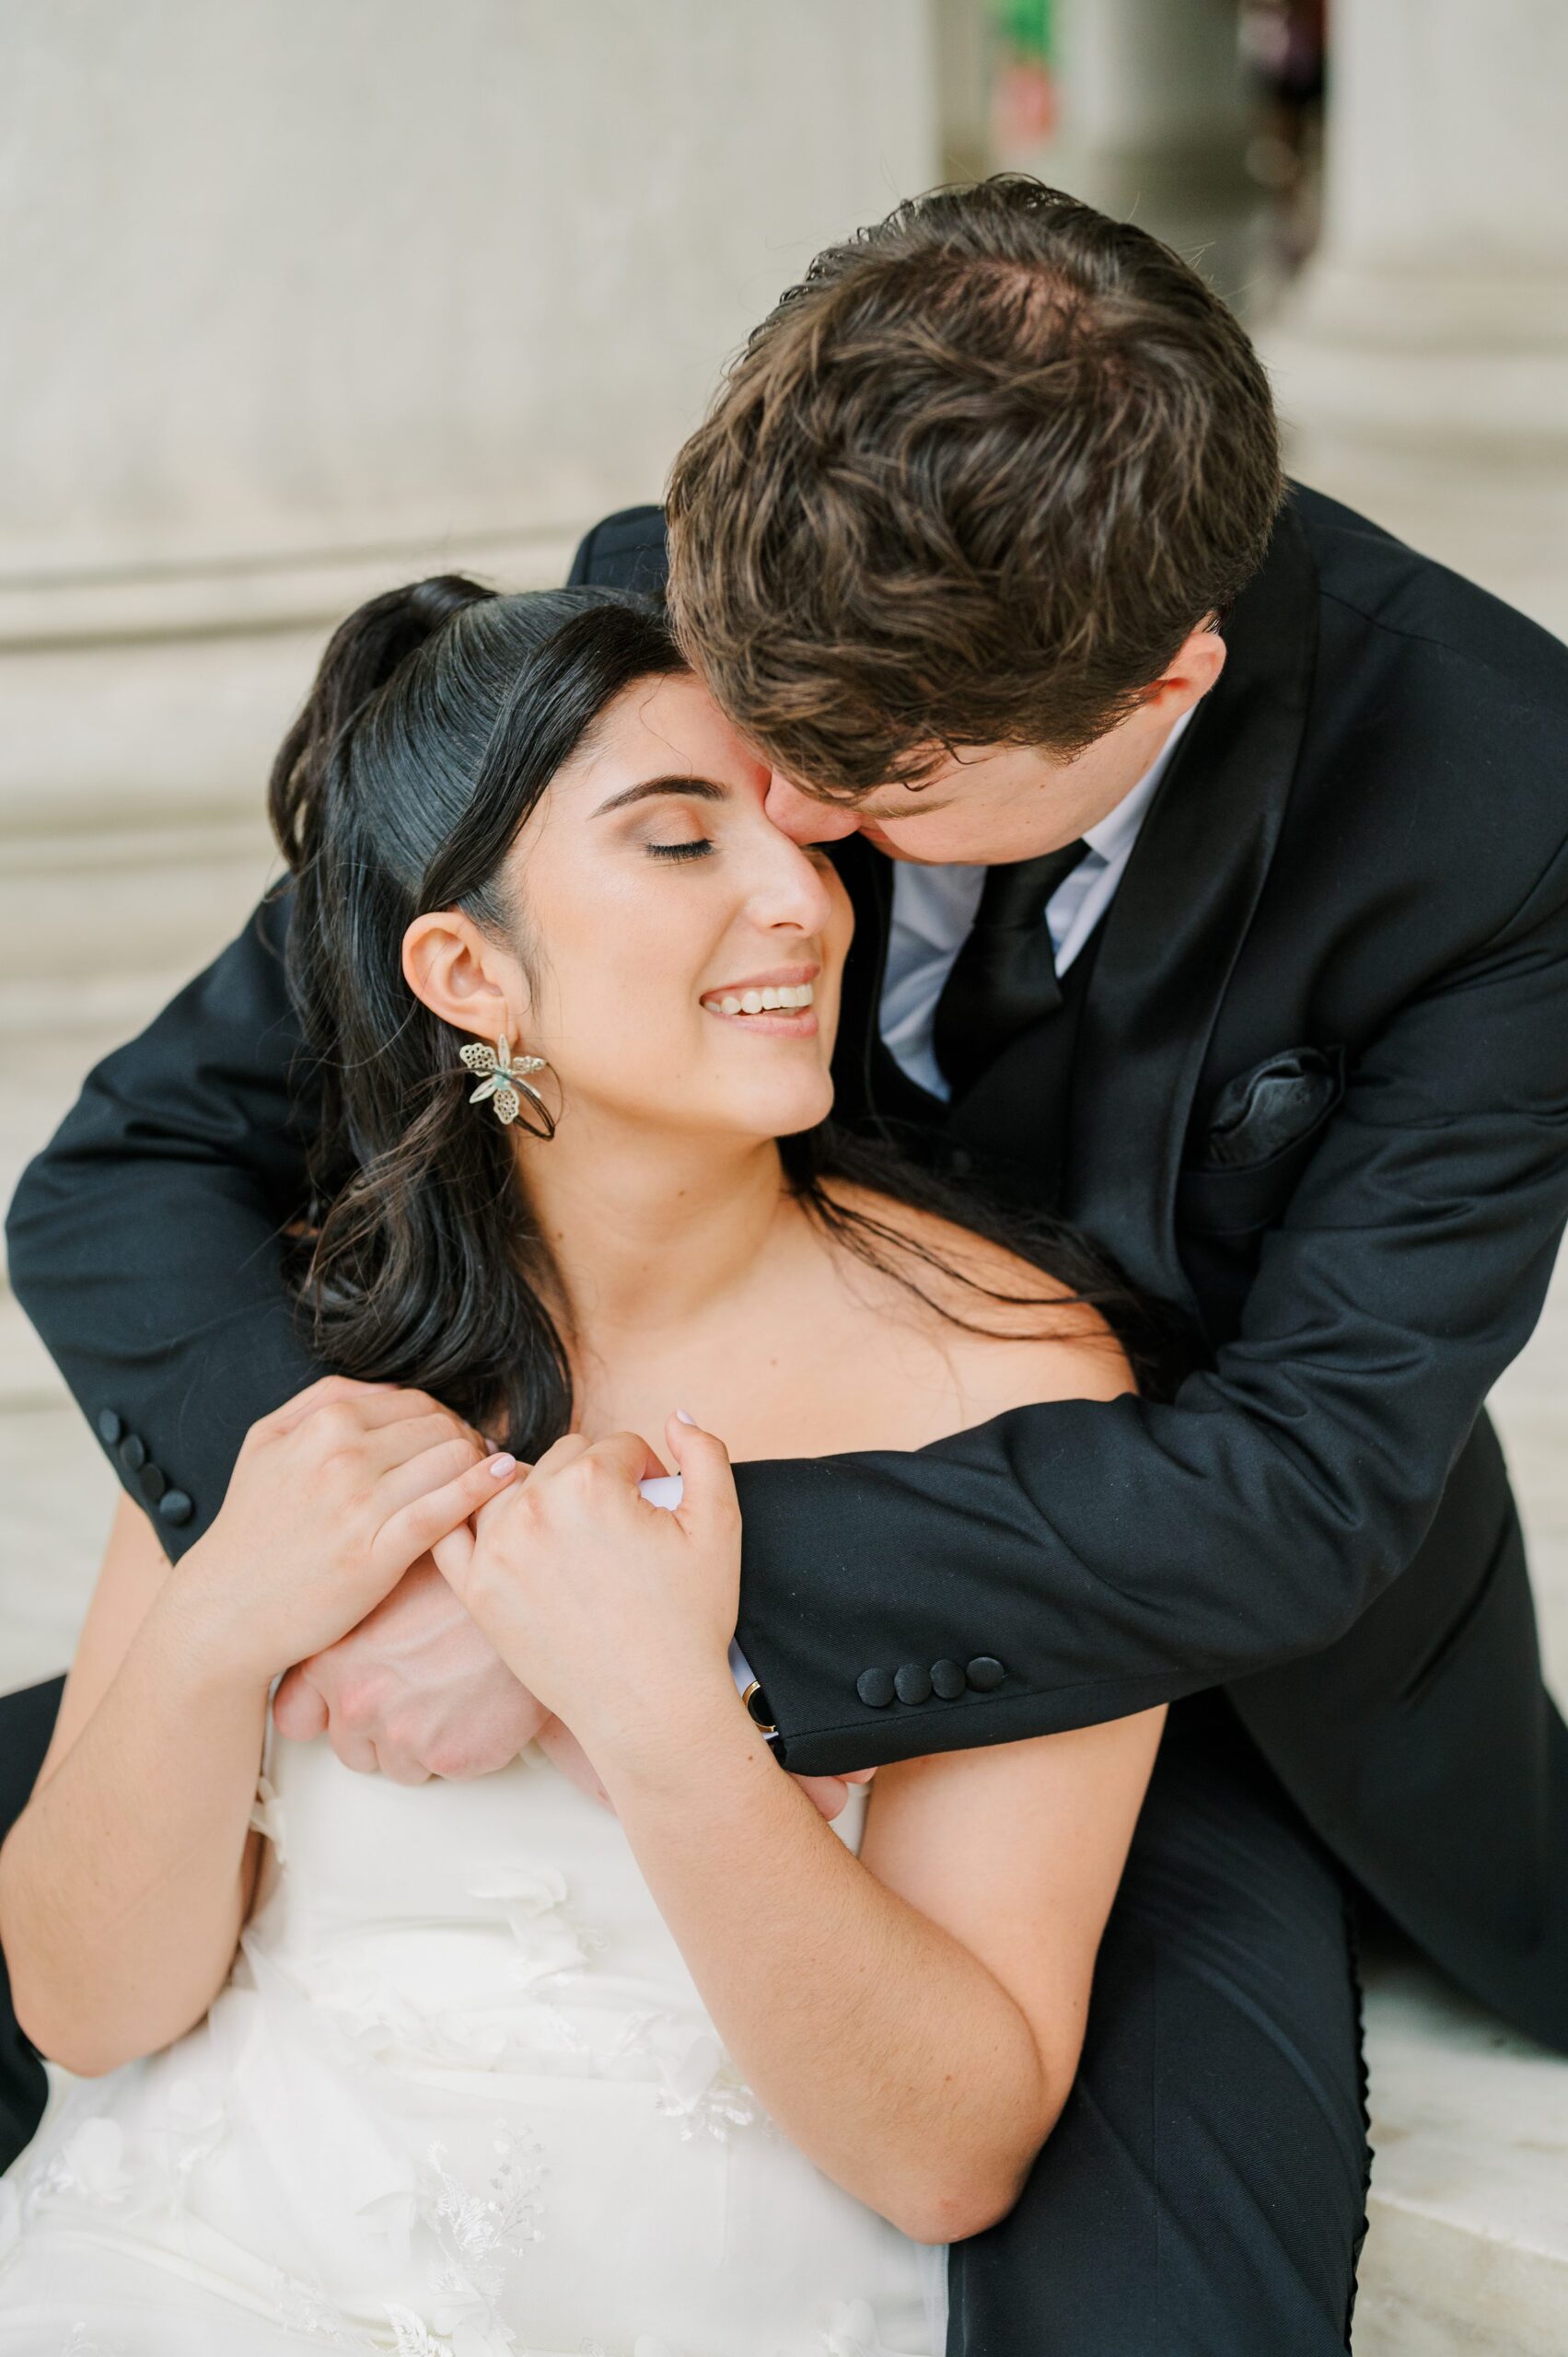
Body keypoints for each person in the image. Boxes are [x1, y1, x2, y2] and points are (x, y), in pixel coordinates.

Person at [7, 175, 1568, 2349]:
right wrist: (379, 1550)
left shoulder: (1498, 799)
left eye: (860, 787)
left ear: (1164, 683)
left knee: (1158, 2294)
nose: (794, 855)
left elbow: (1289, 1497)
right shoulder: (693, 612)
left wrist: (639, 1601)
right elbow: (137, 1162)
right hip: (534, 1530)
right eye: (719, 774)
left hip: (1175, 1662)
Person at [0, 581, 1167, 2351]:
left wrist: (664, 1713)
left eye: (792, 832)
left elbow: (949, 2156)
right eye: (679, 843)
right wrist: (214, 1630)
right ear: (470, 973)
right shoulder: (315, 1328)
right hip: (187, 2264)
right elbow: (86, 2010)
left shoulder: (1006, 1378)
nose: (803, 900)